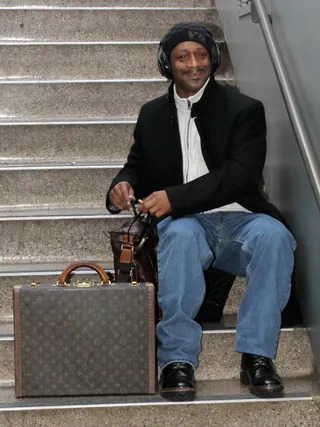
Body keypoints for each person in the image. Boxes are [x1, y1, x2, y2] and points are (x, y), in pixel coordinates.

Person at [106, 22, 296, 402]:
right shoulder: (152, 115)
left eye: (201, 55)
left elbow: (239, 176)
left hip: (243, 219)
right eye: (183, 57)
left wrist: (175, 197)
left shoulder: (244, 109)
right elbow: (137, 166)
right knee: (178, 233)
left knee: (275, 236)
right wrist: (120, 186)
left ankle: (256, 356)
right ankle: (176, 360)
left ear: (214, 59)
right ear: (167, 63)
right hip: (189, 225)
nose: (194, 64)